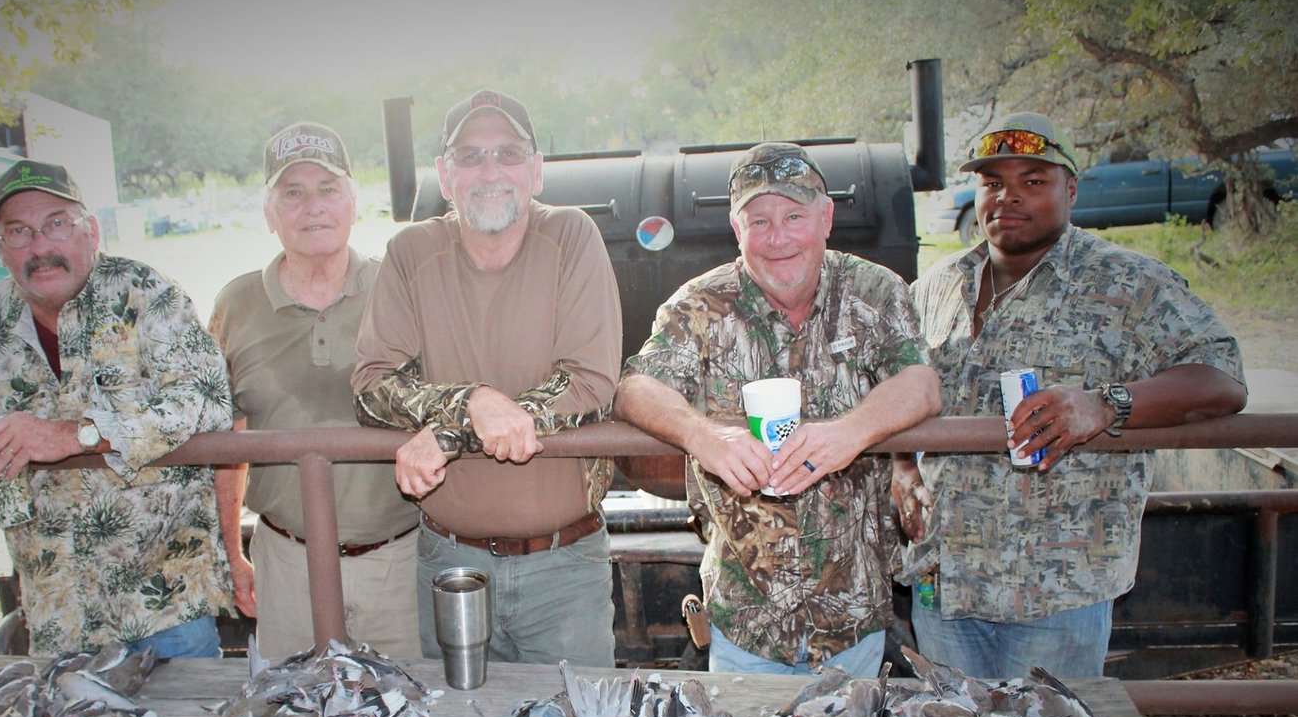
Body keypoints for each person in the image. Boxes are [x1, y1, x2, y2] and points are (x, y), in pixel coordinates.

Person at [893, 112, 1247, 679]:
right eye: (992, 183)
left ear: (1071, 189)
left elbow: (1221, 378)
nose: (1008, 197)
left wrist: (1105, 405)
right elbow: (901, 388)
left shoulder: (1130, 284)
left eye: (1033, 181)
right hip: (944, 581)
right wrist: (902, 466)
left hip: (1056, 592)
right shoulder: (937, 286)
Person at [0, 159, 234, 658]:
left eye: (57, 225)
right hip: (55, 615)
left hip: (166, 608)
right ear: (0, 249)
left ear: (92, 231)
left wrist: (77, 436)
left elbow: (206, 400)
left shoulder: (147, 296)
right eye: (18, 232)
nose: (41, 247)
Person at [616, 143, 941, 676]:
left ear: (826, 217)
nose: (779, 237)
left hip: (853, 621)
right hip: (745, 625)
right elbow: (635, 389)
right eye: (759, 220)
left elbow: (922, 382)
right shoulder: (699, 304)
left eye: (794, 216)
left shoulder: (874, 291)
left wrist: (850, 432)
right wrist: (703, 435)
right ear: (736, 229)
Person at [352, 89, 623, 667]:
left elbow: (590, 386)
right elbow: (374, 386)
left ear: (537, 170)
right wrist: (470, 400)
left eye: (507, 153)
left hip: (564, 571)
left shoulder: (573, 236)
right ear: (446, 177)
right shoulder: (409, 252)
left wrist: (451, 431)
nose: (490, 171)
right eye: (471, 157)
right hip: (449, 564)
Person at [209, 122, 420, 662]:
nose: (313, 207)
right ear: (269, 212)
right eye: (292, 192)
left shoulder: (401, 287)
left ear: (353, 203)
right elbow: (223, 440)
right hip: (286, 563)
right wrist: (233, 554)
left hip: (399, 561)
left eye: (328, 189)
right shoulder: (236, 305)